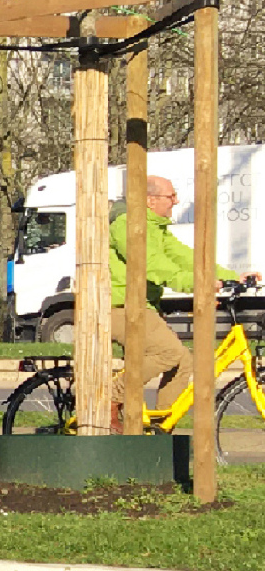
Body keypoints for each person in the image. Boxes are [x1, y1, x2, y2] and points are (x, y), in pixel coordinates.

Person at [107, 175, 259, 416]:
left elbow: (187, 258)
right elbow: (152, 264)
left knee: (183, 362)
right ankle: (110, 397)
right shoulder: (127, 225)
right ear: (150, 200)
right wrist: (197, 284)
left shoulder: (154, 226)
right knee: (168, 353)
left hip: (140, 306)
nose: (176, 201)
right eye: (171, 196)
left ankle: (161, 428)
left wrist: (232, 276)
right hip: (120, 306)